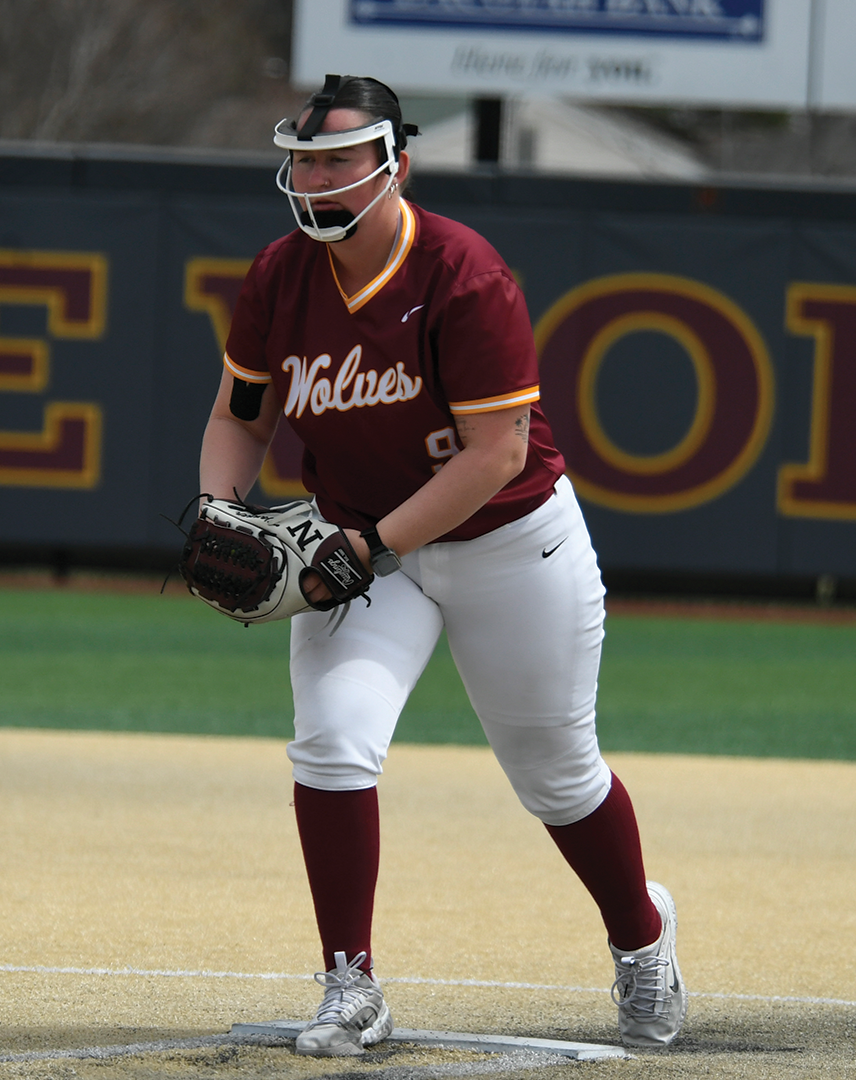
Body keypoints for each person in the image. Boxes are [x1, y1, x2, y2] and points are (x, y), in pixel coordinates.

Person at [198, 76, 685, 1055]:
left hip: (508, 539)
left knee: (558, 777)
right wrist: (217, 506)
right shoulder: (280, 276)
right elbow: (237, 418)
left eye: (338, 159)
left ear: (396, 166)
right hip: (361, 545)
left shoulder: (463, 271)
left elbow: (497, 453)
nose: (316, 177)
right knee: (333, 742)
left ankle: (642, 938)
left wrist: (370, 545)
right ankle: (352, 984)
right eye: (304, 159)